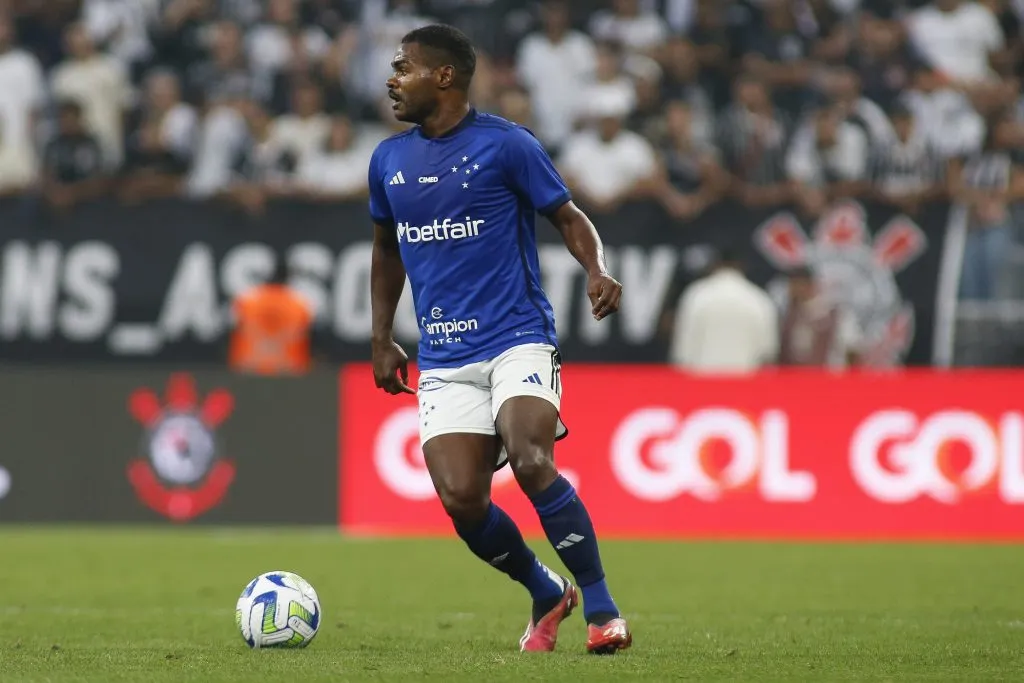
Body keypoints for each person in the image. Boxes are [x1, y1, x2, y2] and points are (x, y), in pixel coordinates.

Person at [367, 25, 631, 655]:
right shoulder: (387, 161)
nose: (391, 80)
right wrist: (381, 336)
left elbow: (567, 216)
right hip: (443, 354)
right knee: (462, 499)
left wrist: (595, 268)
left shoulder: (507, 146)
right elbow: (386, 249)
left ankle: (602, 609)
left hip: (516, 336)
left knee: (532, 458)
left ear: (446, 76)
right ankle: (546, 591)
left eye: (404, 67)